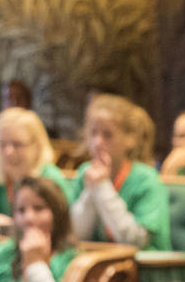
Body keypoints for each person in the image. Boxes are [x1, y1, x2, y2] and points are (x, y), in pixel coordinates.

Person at [70, 93, 171, 250]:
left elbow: (136, 241)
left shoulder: (147, 180)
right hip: (96, 264)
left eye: (107, 134)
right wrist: (90, 191)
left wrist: (102, 187)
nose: (97, 142)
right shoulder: (85, 173)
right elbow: (74, 234)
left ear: (130, 140)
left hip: (145, 269)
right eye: (93, 133)